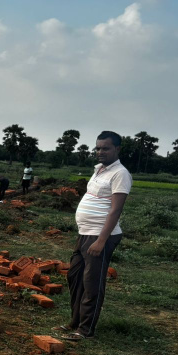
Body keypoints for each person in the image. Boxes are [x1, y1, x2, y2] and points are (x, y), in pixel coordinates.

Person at [56, 131, 132, 341]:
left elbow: (115, 210)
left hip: (100, 237)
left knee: (92, 283)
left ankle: (85, 330)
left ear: (117, 149)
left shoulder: (120, 174)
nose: (100, 152)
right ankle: (75, 321)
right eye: (98, 148)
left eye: (105, 148)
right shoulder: (99, 170)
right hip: (85, 234)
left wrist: (101, 241)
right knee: (75, 277)